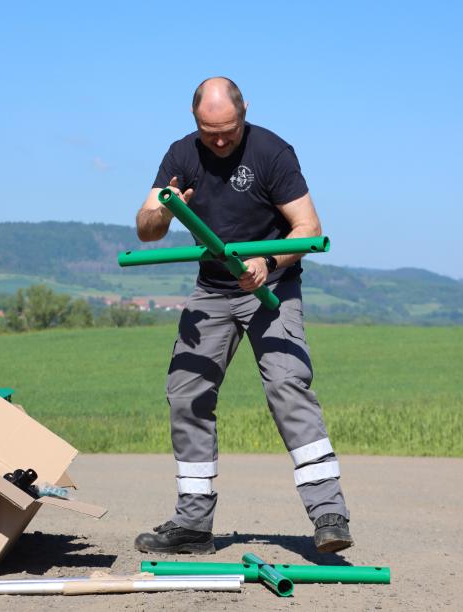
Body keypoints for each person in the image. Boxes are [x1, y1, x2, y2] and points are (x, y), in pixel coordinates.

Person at [134, 77, 353, 555]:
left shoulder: (272, 152)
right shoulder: (180, 155)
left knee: (287, 384)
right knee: (186, 393)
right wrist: (168, 211)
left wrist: (268, 262)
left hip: (271, 286)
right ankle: (193, 525)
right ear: (195, 120)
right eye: (208, 130)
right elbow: (146, 229)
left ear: (244, 111)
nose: (218, 140)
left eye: (228, 130)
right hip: (212, 289)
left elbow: (308, 227)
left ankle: (329, 513)